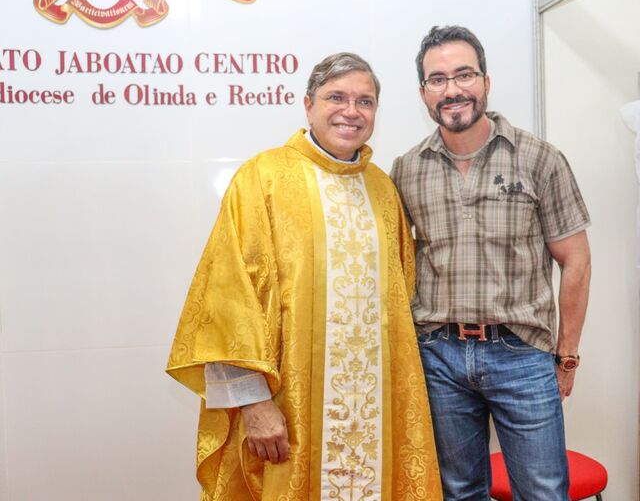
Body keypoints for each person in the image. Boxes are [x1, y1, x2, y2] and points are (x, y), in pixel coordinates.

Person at [167, 52, 442, 501]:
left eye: (365, 101)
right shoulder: (263, 177)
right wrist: (254, 404)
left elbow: (401, 305)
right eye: (337, 97)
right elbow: (226, 301)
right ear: (308, 105)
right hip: (289, 414)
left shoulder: (382, 189)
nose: (351, 111)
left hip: (376, 415)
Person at [390, 25, 592, 500]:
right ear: (423, 92)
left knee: (542, 491)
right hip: (438, 356)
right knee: (459, 492)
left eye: (464, 75)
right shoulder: (406, 169)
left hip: (521, 354)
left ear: (486, 81)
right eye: (437, 79)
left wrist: (567, 354)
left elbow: (577, 261)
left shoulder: (540, 159)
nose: (452, 89)